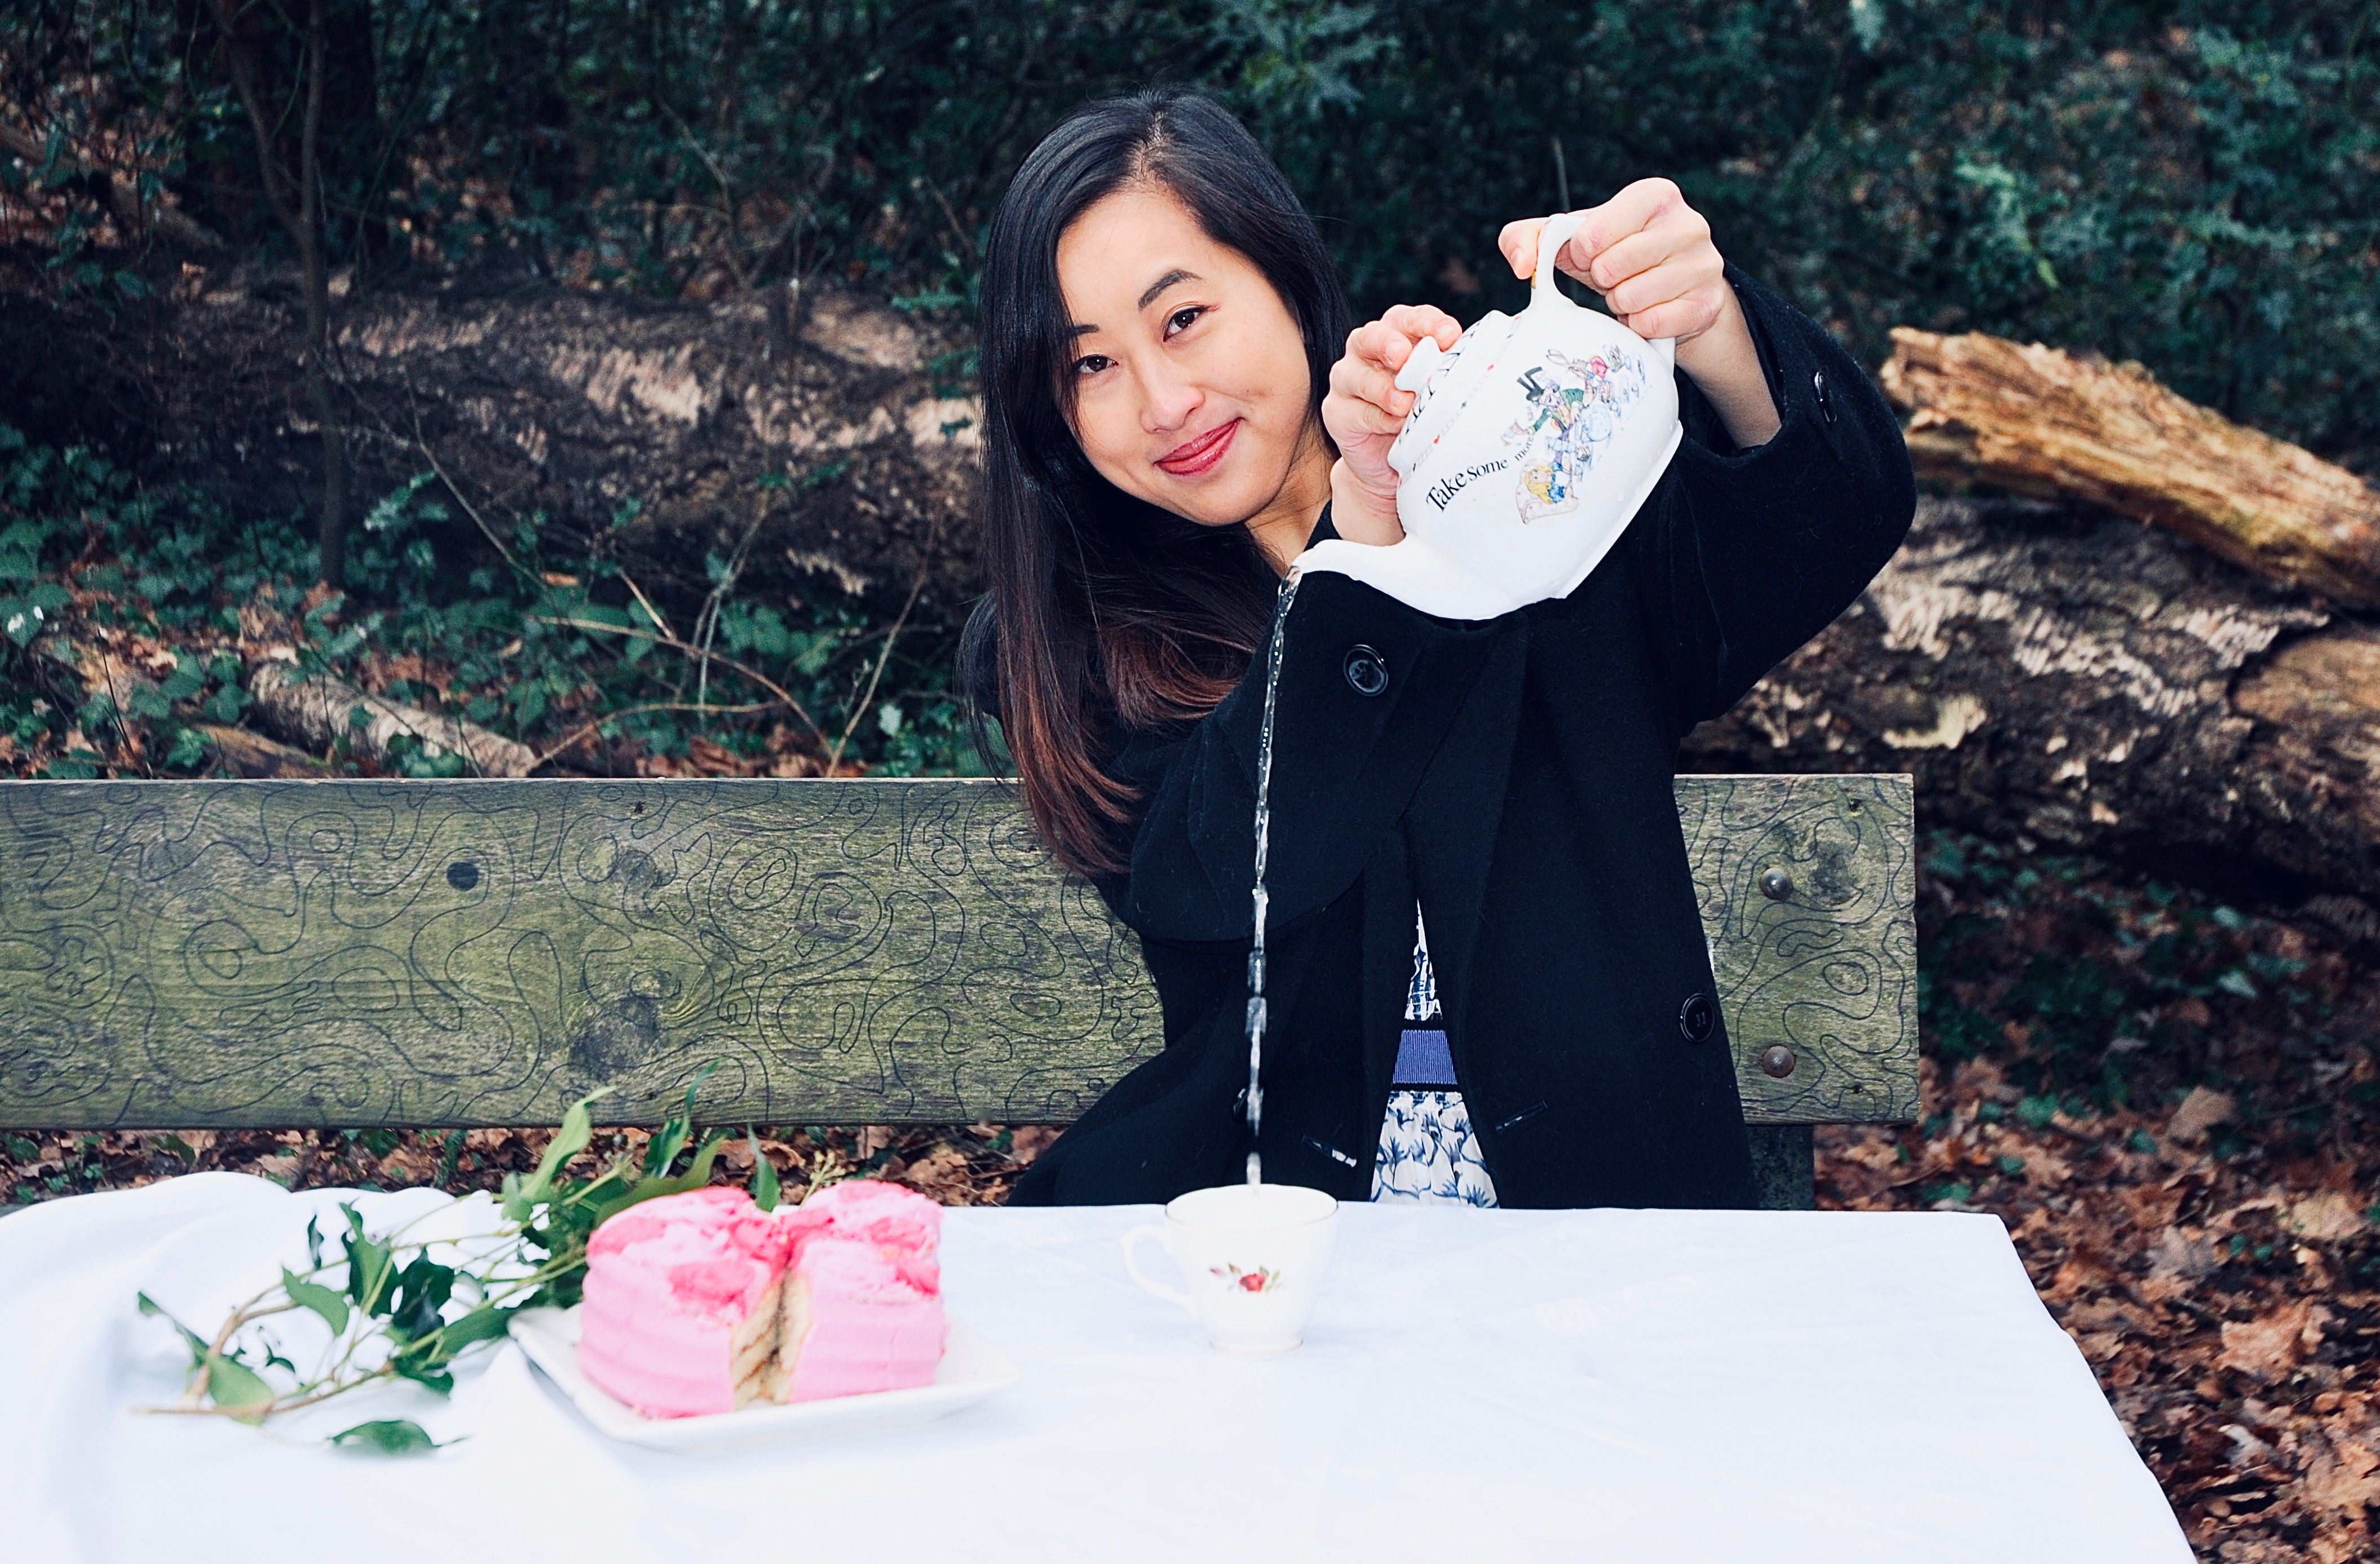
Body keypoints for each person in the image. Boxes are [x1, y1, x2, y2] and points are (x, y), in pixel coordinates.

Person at [962, 89, 1914, 1209]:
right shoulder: (1072, 638)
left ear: (1286, 278)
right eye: (1089, 367)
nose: (1163, 401)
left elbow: (1833, 519)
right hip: (1268, 1252)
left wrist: (1706, 327)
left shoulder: (1512, 499)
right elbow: (1224, 873)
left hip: (1598, 1237)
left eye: (1181, 320)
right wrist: (1359, 540)